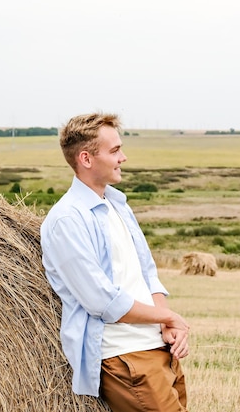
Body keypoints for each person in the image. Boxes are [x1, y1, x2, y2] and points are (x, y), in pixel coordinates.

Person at [40, 112, 190, 412]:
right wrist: (168, 317)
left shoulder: (117, 204)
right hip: (125, 356)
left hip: (157, 347)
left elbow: (148, 272)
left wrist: (165, 321)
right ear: (86, 158)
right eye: (115, 150)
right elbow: (102, 301)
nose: (124, 157)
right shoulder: (67, 220)